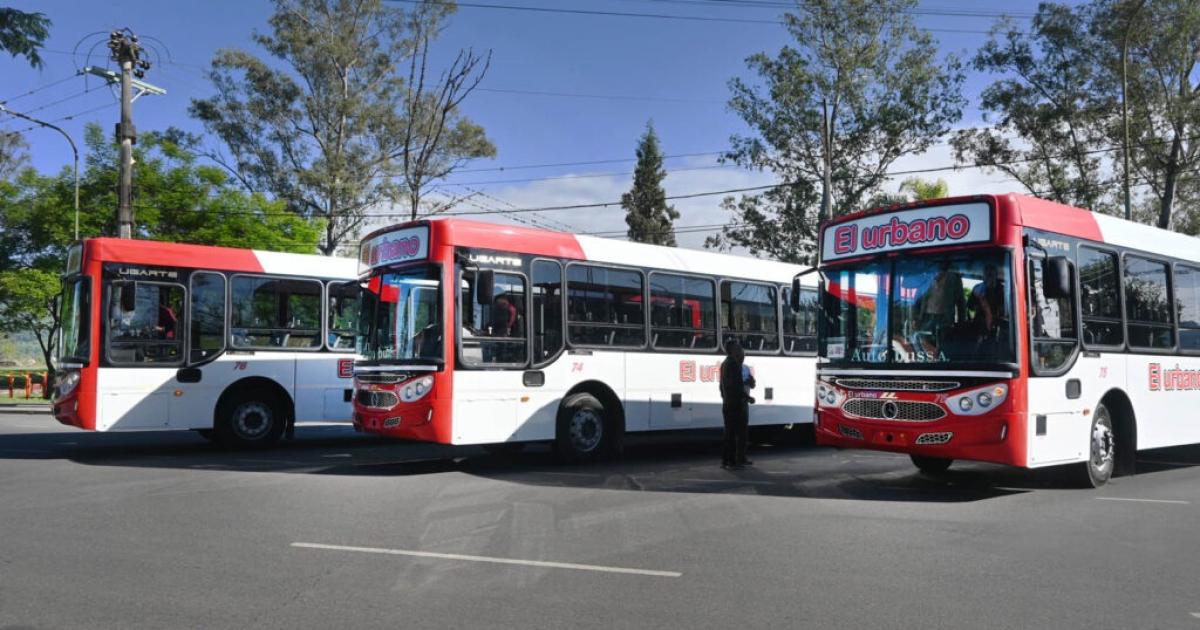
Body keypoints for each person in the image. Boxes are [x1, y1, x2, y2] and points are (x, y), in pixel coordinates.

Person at [720, 340, 753, 469]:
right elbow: (736, 386)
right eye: (738, 348)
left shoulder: (726, 363)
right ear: (733, 350)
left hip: (729, 402)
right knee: (735, 434)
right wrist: (747, 397)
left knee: (730, 433)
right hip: (735, 404)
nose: (741, 350)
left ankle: (727, 460)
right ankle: (733, 461)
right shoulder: (733, 364)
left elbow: (723, 387)